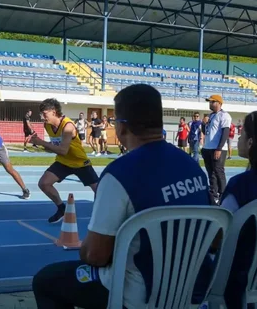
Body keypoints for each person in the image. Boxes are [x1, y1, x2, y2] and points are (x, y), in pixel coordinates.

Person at [32, 84, 212, 309]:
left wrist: (91, 247)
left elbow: (95, 255)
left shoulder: (120, 174)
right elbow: (213, 237)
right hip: (193, 290)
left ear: (122, 127)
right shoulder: (193, 167)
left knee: (45, 281)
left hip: (140, 295)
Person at [29, 98, 99, 223]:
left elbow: (63, 150)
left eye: (44, 114)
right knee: (44, 183)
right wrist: (41, 145)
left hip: (79, 162)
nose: (42, 117)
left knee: (99, 190)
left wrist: (41, 142)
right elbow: (55, 146)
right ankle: (62, 209)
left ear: (54, 112)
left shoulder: (68, 126)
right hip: (63, 161)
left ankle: (103, 214)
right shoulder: (48, 125)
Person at [219, 111, 257, 309]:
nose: (238, 140)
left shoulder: (240, 185)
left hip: (238, 277)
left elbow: (219, 235)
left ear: (250, 143)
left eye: (242, 136)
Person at [202, 94, 232, 203]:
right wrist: (203, 124)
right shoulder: (210, 116)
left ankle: (224, 194)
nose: (210, 104)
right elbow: (206, 132)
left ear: (219, 103)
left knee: (219, 172)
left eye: (212, 102)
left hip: (217, 148)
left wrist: (219, 148)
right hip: (207, 147)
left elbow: (225, 133)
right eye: (209, 102)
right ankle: (214, 194)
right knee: (211, 173)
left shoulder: (224, 115)